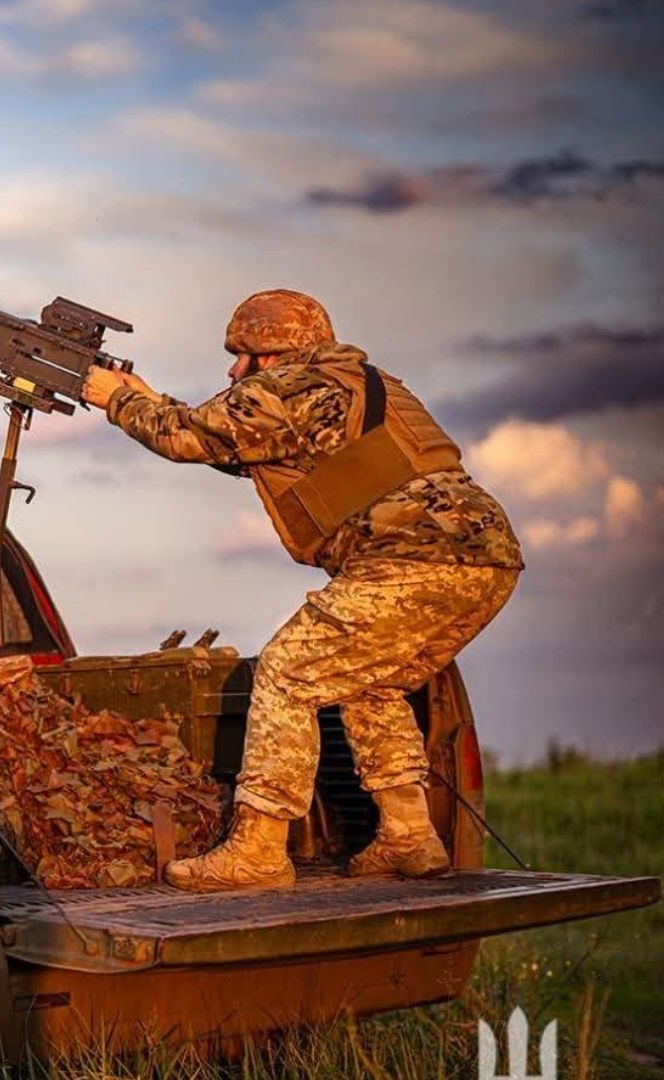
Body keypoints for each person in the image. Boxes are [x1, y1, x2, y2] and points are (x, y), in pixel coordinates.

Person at [82, 289, 522, 892]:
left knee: (288, 672)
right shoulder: (361, 382)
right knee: (368, 682)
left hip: (412, 559)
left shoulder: (289, 387)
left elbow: (185, 439)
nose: (232, 372)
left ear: (269, 355)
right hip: (486, 560)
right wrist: (149, 401)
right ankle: (409, 835)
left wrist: (115, 399)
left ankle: (259, 849)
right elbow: (226, 441)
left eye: (240, 357)